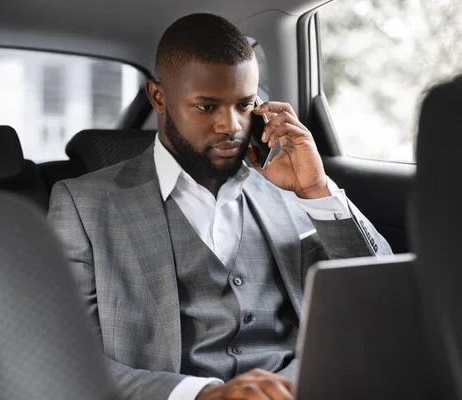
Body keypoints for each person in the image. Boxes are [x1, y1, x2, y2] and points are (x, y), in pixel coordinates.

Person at [48, 13, 392, 400]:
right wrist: (202, 395)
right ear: (159, 98)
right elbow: (67, 357)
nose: (230, 126)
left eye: (244, 105)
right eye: (207, 107)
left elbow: (383, 301)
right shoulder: (83, 205)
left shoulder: (291, 187)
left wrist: (315, 189)